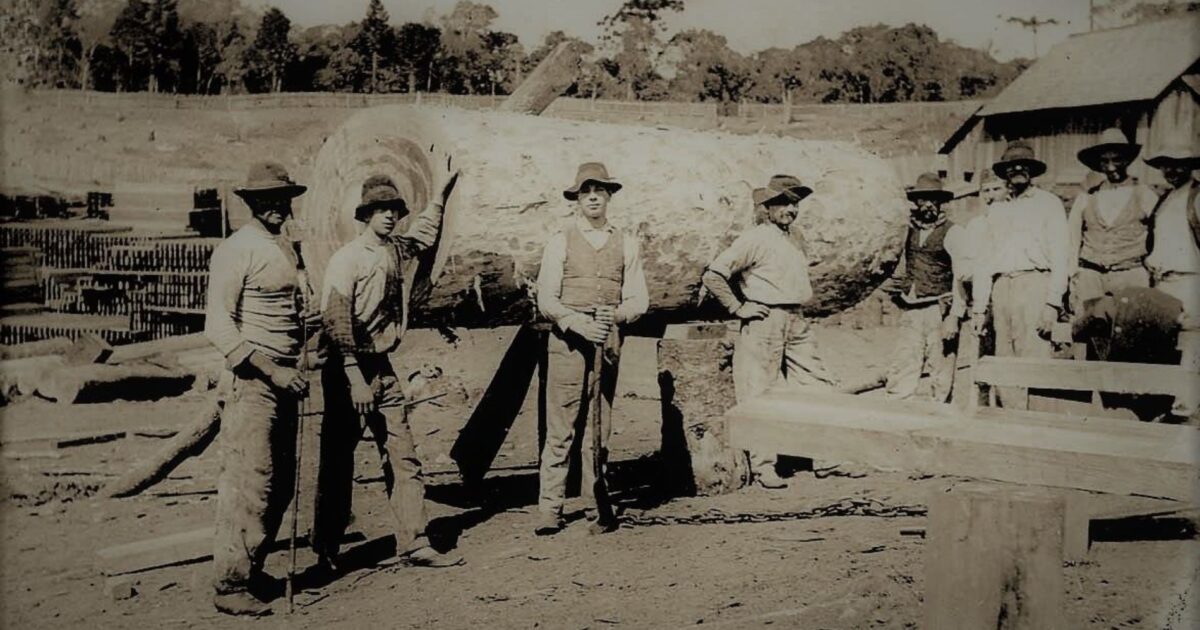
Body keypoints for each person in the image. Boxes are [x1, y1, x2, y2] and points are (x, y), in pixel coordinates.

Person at [312, 171, 461, 575]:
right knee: (339, 461)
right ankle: (325, 549)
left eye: (394, 210)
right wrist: (354, 378)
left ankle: (414, 540)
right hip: (348, 369)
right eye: (381, 211)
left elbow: (424, 234)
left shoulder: (395, 250)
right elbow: (336, 319)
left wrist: (440, 198)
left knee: (403, 454)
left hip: (382, 366)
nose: (389, 217)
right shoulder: (347, 259)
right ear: (366, 215)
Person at [204, 161, 314, 616]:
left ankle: (252, 568)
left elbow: (286, 309)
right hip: (254, 381)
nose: (276, 207)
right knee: (252, 482)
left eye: (281, 199)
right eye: (266, 200)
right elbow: (218, 325)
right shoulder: (237, 249)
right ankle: (230, 585)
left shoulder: (283, 248)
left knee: (280, 482)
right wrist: (273, 369)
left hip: (285, 377)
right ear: (251, 204)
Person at [702, 175, 838, 489]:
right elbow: (714, 275)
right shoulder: (754, 238)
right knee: (761, 392)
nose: (791, 209)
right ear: (768, 207)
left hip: (797, 319)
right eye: (784, 203)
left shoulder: (797, 237)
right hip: (764, 318)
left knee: (817, 385)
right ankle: (765, 466)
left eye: (795, 203)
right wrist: (738, 308)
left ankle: (827, 458)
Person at [534, 162, 648, 536]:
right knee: (561, 427)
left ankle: (594, 502)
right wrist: (577, 322)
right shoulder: (561, 240)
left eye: (600, 190)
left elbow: (639, 300)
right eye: (586, 191)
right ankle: (550, 508)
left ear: (610, 196)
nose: (594, 197)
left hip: (608, 340)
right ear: (577, 199)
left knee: (601, 427)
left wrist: (614, 316)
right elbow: (546, 299)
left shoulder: (626, 242)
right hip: (568, 341)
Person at [971, 141, 1071, 408]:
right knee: (1004, 357)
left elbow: (1062, 256)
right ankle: (1009, 423)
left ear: (1032, 170)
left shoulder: (1049, 204)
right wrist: (979, 308)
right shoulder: (997, 209)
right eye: (1011, 166)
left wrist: (1052, 303)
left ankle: (1037, 426)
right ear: (1004, 172)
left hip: (1035, 283)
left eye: (1023, 165)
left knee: (1035, 356)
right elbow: (983, 261)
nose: (1017, 170)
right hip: (1002, 287)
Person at [882, 173, 971, 402]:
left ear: (941, 203)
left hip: (939, 309)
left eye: (933, 200)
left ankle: (938, 415)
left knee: (940, 369)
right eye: (923, 200)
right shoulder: (907, 230)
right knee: (904, 363)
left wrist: (954, 316)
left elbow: (961, 276)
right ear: (916, 202)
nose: (929, 205)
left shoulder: (954, 232)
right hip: (911, 308)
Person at [1067, 127, 1159, 313]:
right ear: (1098, 164)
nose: (1111, 167)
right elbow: (1072, 239)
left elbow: (1161, 235)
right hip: (1091, 277)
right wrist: (1073, 275)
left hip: (1130, 275)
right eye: (1105, 161)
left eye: (1117, 159)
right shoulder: (1087, 196)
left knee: (1130, 333)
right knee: (1090, 333)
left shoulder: (1144, 194)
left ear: (1126, 160)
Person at [1143, 140, 1200, 418]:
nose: (1172, 170)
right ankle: (1169, 409)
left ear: (1190, 166)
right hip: (1164, 284)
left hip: (1190, 281)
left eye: (1179, 165)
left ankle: (1186, 412)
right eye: (1167, 165)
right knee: (1167, 347)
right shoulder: (1165, 199)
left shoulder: (1197, 196)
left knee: (1191, 347)